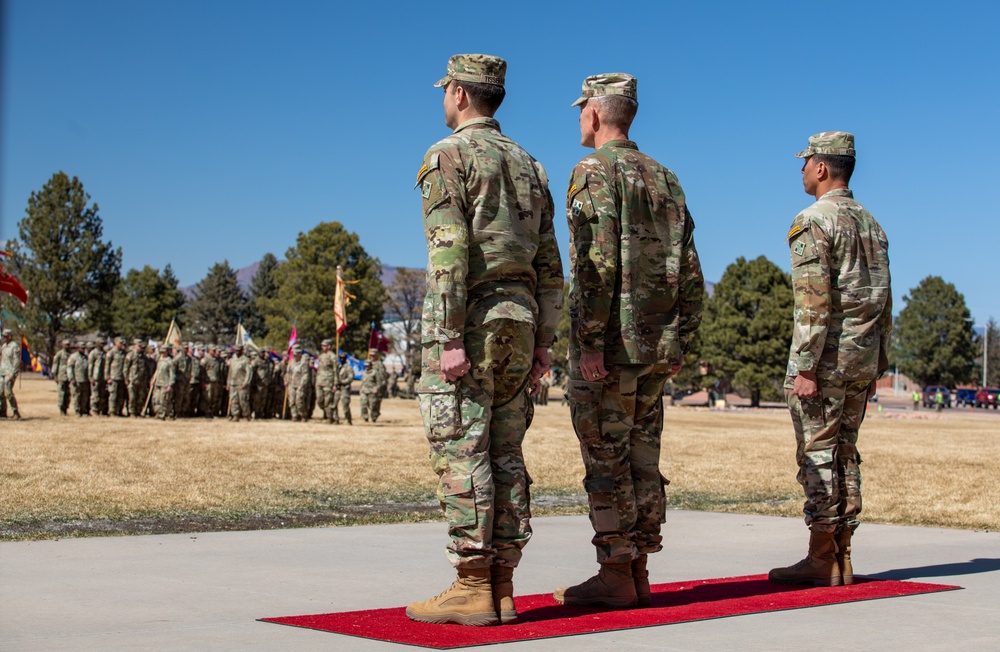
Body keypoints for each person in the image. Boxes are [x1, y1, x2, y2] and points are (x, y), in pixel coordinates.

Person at [406, 54, 563, 627]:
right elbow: (550, 263)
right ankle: (501, 583)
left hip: (470, 318)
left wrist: (448, 335)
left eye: (445, 89)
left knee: (461, 447)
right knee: (504, 450)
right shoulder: (529, 164)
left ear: (459, 94)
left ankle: (472, 582)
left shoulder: (446, 155)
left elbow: (447, 247)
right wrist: (546, 339)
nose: (442, 98)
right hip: (519, 321)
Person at [553, 73, 703, 610]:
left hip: (612, 348)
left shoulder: (593, 172)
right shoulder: (666, 178)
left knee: (605, 457)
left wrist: (589, 341)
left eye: (580, 110)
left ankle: (615, 571)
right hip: (656, 348)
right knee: (643, 459)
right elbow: (690, 269)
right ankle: (638, 569)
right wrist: (682, 337)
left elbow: (593, 265)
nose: (578, 120)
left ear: (595, 113)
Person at [768, 132, 891, 588]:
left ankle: (823, 557)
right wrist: (879, 361)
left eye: (804, 163)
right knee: (846, 454)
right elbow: (883, 298)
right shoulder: (871, 224)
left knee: (818, 454)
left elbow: (813, 302)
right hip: (862, 358)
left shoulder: (813, 220)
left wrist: (804, 366)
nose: (800, 170)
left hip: (826, 360)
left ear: (822, 168)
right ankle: (842, 556)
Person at [360, 349, 387, 422]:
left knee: (375, 404)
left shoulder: (379, 364)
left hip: (377, 386)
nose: (372, 356)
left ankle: (374, 416)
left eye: (373, 355)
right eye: (371, 355)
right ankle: (366, 416)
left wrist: (380, 387)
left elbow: (382, 377)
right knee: (366, 403)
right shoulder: (368, 363)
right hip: (367, 387)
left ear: (376, 355)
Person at [285, 344, 311, 421]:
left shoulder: (303, 363)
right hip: (291, 384)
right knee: (291, 401)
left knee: (299, 401)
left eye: (296, 354)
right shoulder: (291, 362)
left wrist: (302, 385)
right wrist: (286, 380)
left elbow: (305, 375)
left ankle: (303, 415)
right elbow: (288, 373)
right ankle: (294, 416)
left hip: (300, 384)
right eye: (293, 354)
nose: (295, 355)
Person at [227, 344, 252, 421]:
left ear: (242, 351)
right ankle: (235, 415)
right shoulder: (233, 360)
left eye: (239, 350)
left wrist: (246, 383)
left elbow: (249, 373)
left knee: (243, 400)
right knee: (233, 400)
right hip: (233, 383)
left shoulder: (246, 360)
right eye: (236, 350)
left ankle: (246, 415)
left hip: (241, 383)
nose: (237, 352)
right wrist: (228, 382)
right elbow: (230, 372)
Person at [0, 328, 21, 419]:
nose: (3, 338)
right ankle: (2, 411)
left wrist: (12, 374)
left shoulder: (14, 346)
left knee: (8, 392)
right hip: (2, 371)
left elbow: (16, 362)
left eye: (5, 336)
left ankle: (15, 411)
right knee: (0, 392)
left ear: (10, 336)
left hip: (9, 372)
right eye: (3, 336)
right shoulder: (4, 346)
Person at [316, 339, 337, 423]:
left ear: (329, 346)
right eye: (322, 345)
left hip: (329, 382)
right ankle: (327, 413)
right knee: (319, 400)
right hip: (320, 381)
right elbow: (319, 370)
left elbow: (336, 371)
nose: (322, 347)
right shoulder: (321, 356)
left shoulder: (333, 356)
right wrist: (317, 381)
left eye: (324, 345)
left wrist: (335, 384)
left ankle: (329, 418)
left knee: (328, 401)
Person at [151, 344, 175, 420]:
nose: (162, 353)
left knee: (164, 399)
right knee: (156, 399)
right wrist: (153, 380)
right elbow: (157, 371)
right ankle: (158, 413)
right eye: (161, 352)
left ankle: (166, 414)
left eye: (164, 352)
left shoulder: (170, 361)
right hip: (158, 383)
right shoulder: (160, 360)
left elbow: (172, 374)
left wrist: (170, 384)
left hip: (165, 383)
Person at [67, 342, 91, 416]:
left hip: (85, 380)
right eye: (82, 348)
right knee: (77, 396)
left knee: (85, 396)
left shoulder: (86, 357)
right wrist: (71, 378)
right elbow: (70, 368)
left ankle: (83, 410)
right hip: (77, 380)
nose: (83, 349)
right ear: (78, 348)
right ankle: (77, 411)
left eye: (84, 348)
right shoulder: (73, 357)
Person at [106, 337, 128, 417]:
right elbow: (107, 365)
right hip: (113, 377)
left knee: (121, 396)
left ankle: (119, 411)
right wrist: (107, 377)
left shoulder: (124, 353)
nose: (122, 344)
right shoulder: (111, 353)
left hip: (121, 377)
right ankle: (112, 411)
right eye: (120, 343)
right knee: (113, 396)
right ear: (116, 343)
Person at [51, 339, 72, 415]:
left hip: (68, 376)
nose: (67, 346)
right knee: (61, 393)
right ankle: (61, 409)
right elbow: (55, 364)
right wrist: (55, 375)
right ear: (62, 345)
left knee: (67, 394)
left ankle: (66, 407)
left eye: (68, 344)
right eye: (66, 344)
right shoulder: (59, 354)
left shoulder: (70, 354)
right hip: (61, 376)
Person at [334, 350, 353, 425]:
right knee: (334, 404)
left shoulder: (348, 368)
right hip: (337, 388)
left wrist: (342, 381)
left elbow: (350, 378)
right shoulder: (338, 367)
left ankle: (348, 419)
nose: (342, 359)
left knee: (345, 405)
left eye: (343, 358)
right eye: (340, 358)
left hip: (345, 388)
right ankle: (335, 419)